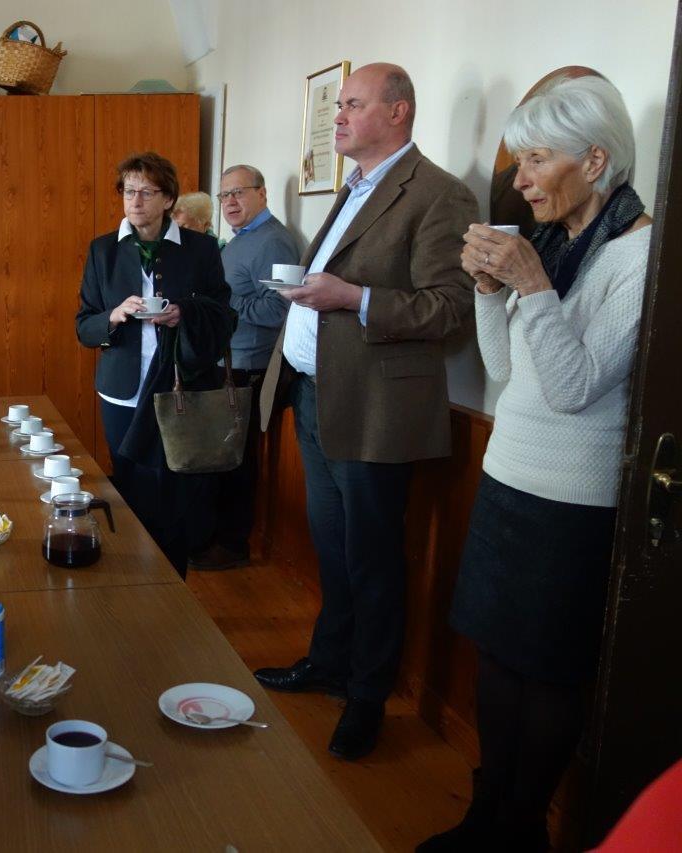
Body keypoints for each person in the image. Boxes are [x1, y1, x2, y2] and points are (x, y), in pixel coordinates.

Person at [421, 75, 651, 852]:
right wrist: (492, 290)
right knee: (496, 656)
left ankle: (521, 831)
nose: (519, 180)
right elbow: (506, 371)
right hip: (508, 479)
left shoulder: (638, 255)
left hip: (572, 499)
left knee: (549, 672)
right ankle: (486, 815)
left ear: (596, 161)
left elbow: (574, 388)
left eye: (537, 160)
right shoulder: (553, 243)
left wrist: (532, 286)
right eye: (519, 161)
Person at [253, 63, 477, 760]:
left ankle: (368, 697)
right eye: (340, 105)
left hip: (376, 407)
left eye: (353, 104)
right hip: (315, 394)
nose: (339, 117)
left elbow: (451, 308)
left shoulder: (439, 194)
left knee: (373, 559)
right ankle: (329, 662)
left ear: (398, 112)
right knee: (335, 549)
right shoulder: (354, 186)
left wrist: (352, 298)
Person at [76, 151, 234, 576]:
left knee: (176, 493)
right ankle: (132, 585)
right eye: (129, 191)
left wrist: (184, 313)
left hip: (180, 389)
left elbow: (224, 315)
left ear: (168, 199)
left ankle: (171, 585)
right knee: (129, 487)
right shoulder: (103, 250)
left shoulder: (201, 249)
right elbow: (84, 327)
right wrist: (114, 315)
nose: (136, 200)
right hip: (122, 393)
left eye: (147, 192)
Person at [189, 164, 298, 570]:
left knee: (234, 461)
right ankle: (212, 539)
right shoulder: (242, 239)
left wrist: (222, 301)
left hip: (246, 369)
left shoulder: (272, 241)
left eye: (239, 192)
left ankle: (232, 545)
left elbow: (278, 309)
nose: (230, 202)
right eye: (224, 195)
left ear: (262, 193)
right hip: (223, 364)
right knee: (219, 459)